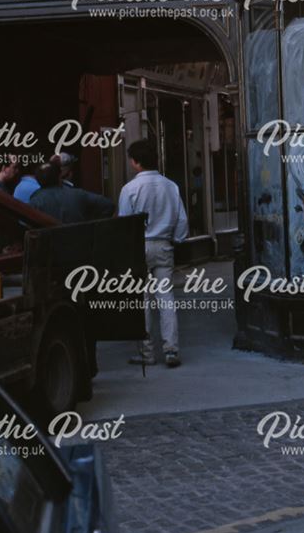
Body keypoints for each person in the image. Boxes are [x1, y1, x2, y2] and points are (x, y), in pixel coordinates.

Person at [118, 139, 189, 368]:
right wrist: (177, 239)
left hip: (140, 245)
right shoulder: (171, 186)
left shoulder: (129, 189)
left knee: (143, 300)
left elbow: (125, 224)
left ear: (136, 162)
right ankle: (171, 349)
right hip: (164, 245)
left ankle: (147, 353)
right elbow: (182, 220)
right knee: (166, 297)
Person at [30, 162, 115, 222]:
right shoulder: (78, 194)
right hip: (79, 243)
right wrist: (92, 226)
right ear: (60, 176)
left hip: (49, 245)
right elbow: (108, 205)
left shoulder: (35, 201)